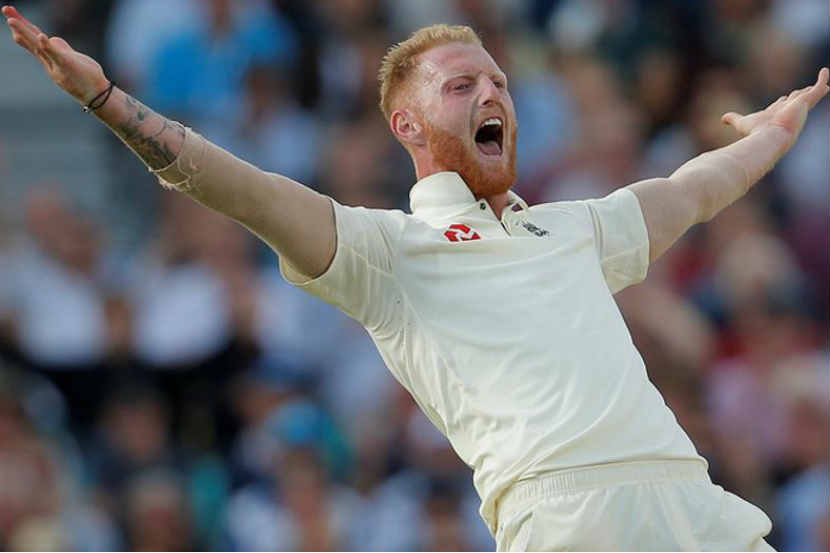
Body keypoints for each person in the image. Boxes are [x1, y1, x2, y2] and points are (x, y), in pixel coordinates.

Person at [3, 6, 827, 550]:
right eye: (461, 85)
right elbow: (242, 189)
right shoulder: (388, 249)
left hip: (692, 496)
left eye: (499, 81)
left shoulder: (572, 225)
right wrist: (107, 100)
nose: (492, 92)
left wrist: (773, 135)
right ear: (408, 124)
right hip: (569, 515)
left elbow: (689, 190)